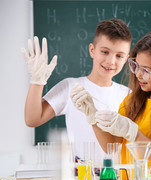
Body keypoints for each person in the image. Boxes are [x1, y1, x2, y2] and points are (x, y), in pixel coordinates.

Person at [71, 30, 151, 172]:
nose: (138, 74)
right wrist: (92, 117)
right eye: (136, 66)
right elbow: (112, 145)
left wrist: (135, 134)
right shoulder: (131, 101)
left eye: (146, 70)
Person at [23, 19, 132, 164]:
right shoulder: (71, 86)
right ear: (92, 50)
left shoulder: (128, 95)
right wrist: (37, 81)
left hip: (119, 177)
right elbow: (32, 119)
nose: (111, 61)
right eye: (105, 52)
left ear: (127, 59)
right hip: (82, 176)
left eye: (119, 56)